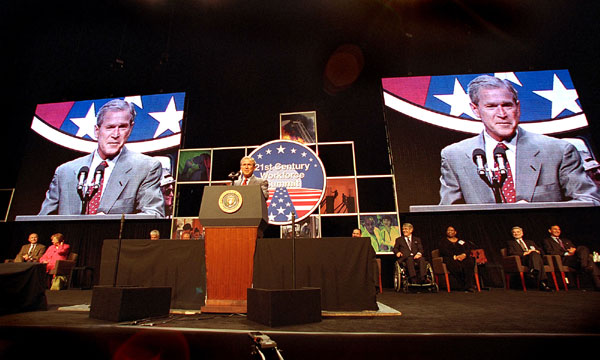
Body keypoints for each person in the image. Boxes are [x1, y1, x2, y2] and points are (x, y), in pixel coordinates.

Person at [439, 75, 600, 205]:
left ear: (518, 107)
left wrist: (534, 211)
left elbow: (590, 200)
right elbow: (448, 212)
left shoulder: (558, 150)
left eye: (507, 105)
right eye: (491, 106)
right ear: (475, 110)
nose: (502, 113)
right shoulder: (454, 155)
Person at [39, 99, 165, 216]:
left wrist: (106, 223)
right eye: (110, 127)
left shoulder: (146, 167)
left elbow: (154, 215)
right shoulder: (65, 171)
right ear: (97, 131)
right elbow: (43, 221)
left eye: (122, 127)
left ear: (130, 129)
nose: (115, 134)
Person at [542, 225, 600, 290]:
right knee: (588, 260)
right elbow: (549, 252)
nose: (557, 231)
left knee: (582, 248)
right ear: (550, 231)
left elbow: (574, 248)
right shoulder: (547, 241)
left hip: (574, 258)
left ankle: (584, 266)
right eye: (555, 229)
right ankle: (596, 283)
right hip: (563, 260)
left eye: (558, 229)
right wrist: (566, 253)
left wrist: (573, 250)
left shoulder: (566, 240)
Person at [507, 226, 552, 291]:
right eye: (514, 232)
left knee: (535, 254)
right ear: (512, 234)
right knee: (537, 259)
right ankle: (543, 282)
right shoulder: (511, 243)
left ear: (522, 233)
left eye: (518, 232)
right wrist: (526, 253)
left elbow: (541, 250)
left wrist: (537, 251)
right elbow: (511, 253)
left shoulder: (530, 242)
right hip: (522, 260)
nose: (516, 233)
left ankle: (535, 271)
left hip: (534, 259)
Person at [438, 226, 476, 292]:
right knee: (456, 266)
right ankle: (463, 285)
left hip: (462, 257)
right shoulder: (443, 241)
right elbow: (443, 251)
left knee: (469, 262)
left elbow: (467, 249)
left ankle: (469, 285)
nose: (450, 232)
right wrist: (454, 256)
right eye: (448, 230)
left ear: (455, 232)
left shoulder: (461, 241)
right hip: (450, 258)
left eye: (452, 230)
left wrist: (464, 255)